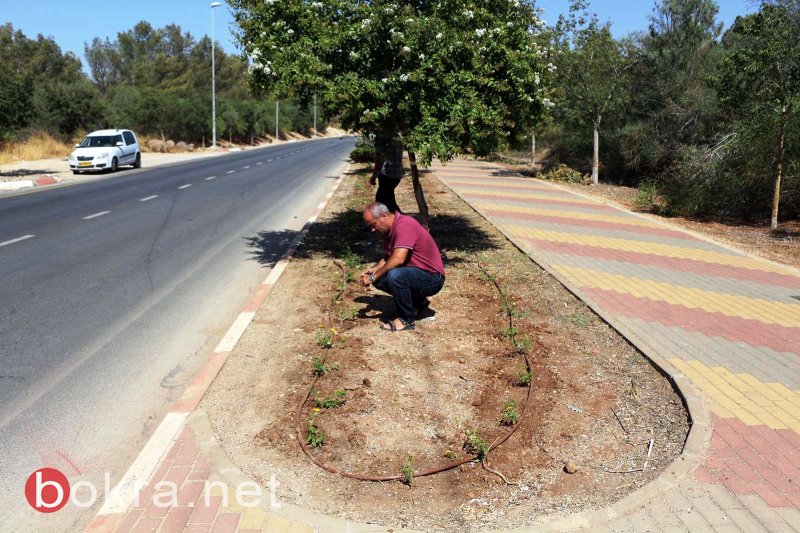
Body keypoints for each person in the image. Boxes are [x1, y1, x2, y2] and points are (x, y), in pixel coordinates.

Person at [359, 202, 445, 331]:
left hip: (433, 278)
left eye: (373, 224)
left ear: (383, 216)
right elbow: (390, 257)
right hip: (417, 274)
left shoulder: (404, 225)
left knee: (395, 276)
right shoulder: (388, 231)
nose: (372, 229)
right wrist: (374, 270)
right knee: (380, 278)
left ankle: (406, 319)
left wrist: (372, 277)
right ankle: (418, 302)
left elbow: (398, 259)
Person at [370, 134, 404, 213]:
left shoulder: (382, 137)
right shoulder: (397, 136)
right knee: (389, 199)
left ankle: (402, 222)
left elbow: (380, 159)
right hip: (397, 174)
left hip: (387, 174)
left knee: (382, 201)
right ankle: (390, 222)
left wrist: (374, 176)